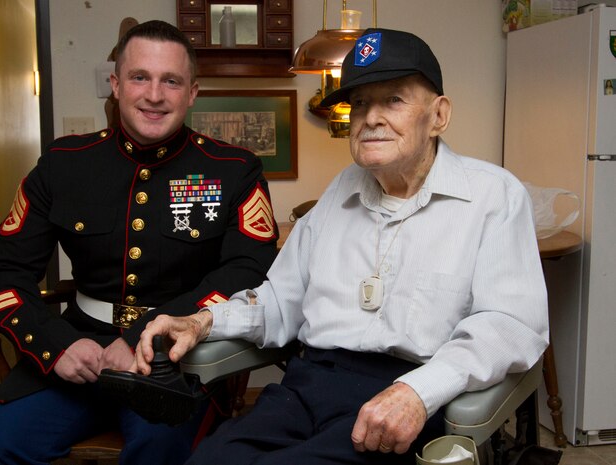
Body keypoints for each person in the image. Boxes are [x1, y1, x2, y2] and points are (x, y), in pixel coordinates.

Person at [134, 28, 550, 464]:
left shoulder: (492, 196)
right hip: (307, 386)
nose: (371, 118)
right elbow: (281, 299)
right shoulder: (339, 192)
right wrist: (202, 322)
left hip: (405, 397)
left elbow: (509, 325)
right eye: (361, 104)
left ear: (439, 115)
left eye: (393, 100)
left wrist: (419, 392)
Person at [0, 20, 277, 465]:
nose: (154, 94)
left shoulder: (233, 169)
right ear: (115, 84)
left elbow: (247, 273)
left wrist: (139, 338)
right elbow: (3, 272)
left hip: (180, 359)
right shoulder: (63, 164)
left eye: (171, 80)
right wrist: (56, 345)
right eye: (139, 77)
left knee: (160, 453)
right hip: (77, 349)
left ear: (192, 92)